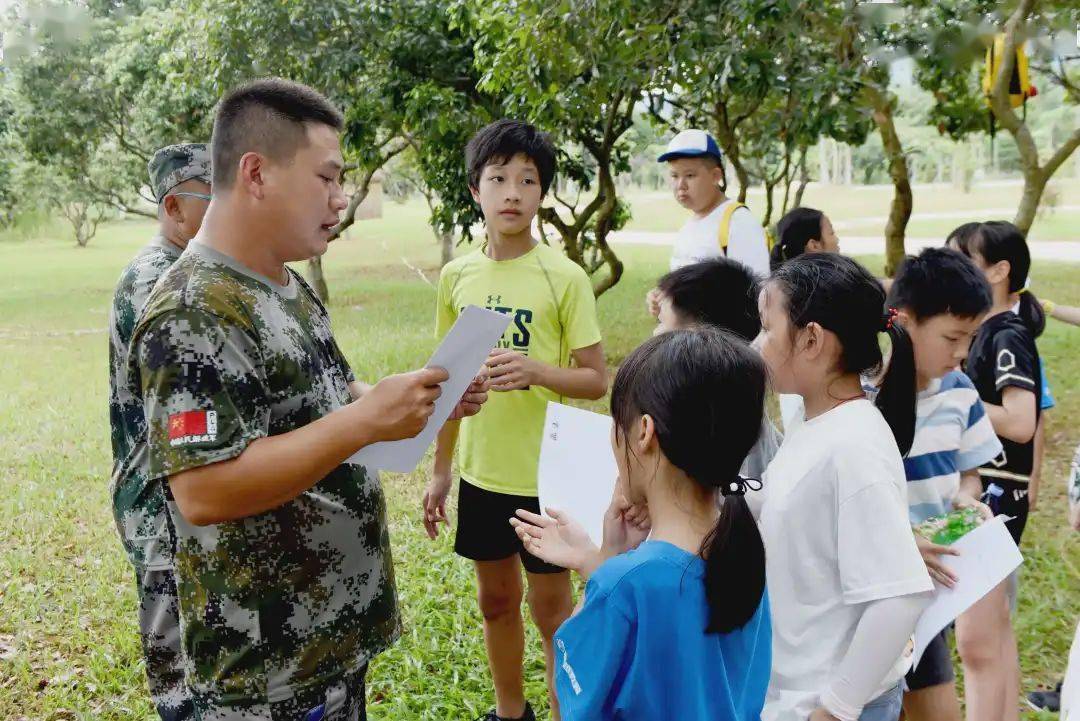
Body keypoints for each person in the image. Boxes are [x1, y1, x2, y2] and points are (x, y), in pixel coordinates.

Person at [124, 78, 488, 720]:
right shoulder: (193, 311)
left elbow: (337, 398)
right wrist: (366, 419)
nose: (342, 199)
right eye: (327, 178)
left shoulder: (286, 287)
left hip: (329, 643)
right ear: (257, 174)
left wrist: (424, 398)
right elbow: (204, 490)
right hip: (266, 671)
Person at [423, 119, 608, 721]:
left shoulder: (564, 277)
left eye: (527, 180)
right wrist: (441, 471)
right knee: (495, 602)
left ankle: (563, 713)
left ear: (542, 193)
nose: (511, 193)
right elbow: (447, 382)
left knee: (551, 610)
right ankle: (510, 713)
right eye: (497, 178)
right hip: (482, 474)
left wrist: (537, 371)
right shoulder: (457, 277)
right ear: (475, 189)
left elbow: (594, 378)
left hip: (545, 477)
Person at [510, 328, 773, 721]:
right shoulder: (742, 553)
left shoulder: (624, 586)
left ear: (644, 432)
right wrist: (603, 561)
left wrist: (607, 560)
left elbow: (575, 703)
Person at [753, 253, 933, 721]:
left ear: (811, 339)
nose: (757, 344)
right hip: (793, 690)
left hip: (828, 705)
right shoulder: (816, 423)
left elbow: (900, 596)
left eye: (767, 329)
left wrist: (834, 710)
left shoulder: (854, 445)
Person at [108, 142, 211, 721]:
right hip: (160, 505)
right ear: (175, 206)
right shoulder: (158, 283)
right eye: (212, 198)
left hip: (177, 497)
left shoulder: (183, 272)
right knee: (180, 681)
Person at [881, 248, 1005, 721]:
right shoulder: (858, 394)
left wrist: (965, 500)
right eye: (952, 337)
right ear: (905, 320)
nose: (962, 353)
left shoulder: (960, 392)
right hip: (870, 594)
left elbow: (969, 476)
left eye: (970, 339)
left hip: (927, 600)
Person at [651, 258, 780, 478]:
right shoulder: (739, 389)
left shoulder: (694, 410)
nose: (654, 334)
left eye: (661, 323)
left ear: (697, 336)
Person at [645, 128, 769, 317]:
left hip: (721, 344)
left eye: (690, 175)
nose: (680, 185)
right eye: (674, 176)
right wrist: (662, 298)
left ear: (716, 176)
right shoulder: (689, 225)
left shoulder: (738, 222)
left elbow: (759, 296)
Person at [769, 206, 840, 272]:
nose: (837, 239)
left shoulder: (782, 281)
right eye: (831, 233)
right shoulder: (831, 283)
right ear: (814, 246)